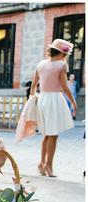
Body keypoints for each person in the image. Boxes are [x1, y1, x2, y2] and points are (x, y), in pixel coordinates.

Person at [30, 38, 77, 177]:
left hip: (43, 99)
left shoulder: (41, 64)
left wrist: (34, 98)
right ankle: (48, 166)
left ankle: (41, 164)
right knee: (53, 135)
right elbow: (64, 86)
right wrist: (73, 102)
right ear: (63, 54)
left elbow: (34, 85)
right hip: (54, 99)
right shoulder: (61, 65)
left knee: (46, 135)